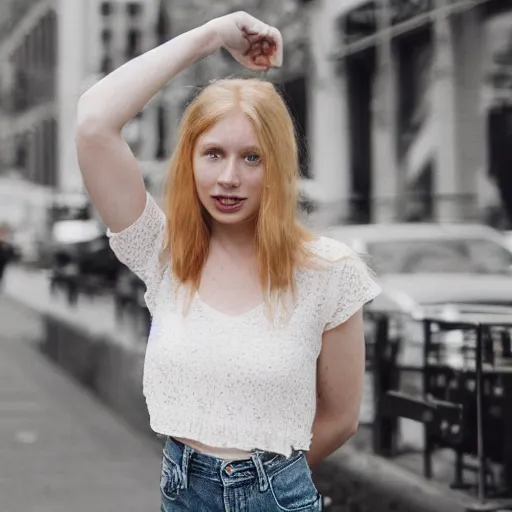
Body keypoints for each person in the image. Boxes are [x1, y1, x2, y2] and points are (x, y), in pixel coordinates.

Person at [75, 11, 381, 512]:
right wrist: (213, 36)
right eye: (213, 154)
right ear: (190, 162)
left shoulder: (329, 270)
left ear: (278, 166)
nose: (230, 177)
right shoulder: (165, 253)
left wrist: (270, 487)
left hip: (280, 496)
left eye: (252, 158)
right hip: (182, 493)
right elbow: (93, 123)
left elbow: (341, 417)